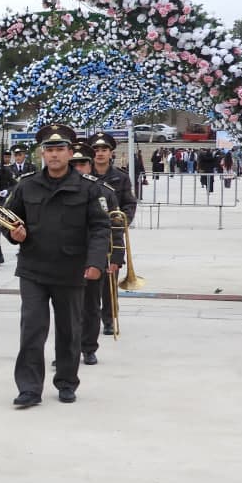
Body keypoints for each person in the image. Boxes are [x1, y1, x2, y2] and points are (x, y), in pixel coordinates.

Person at [3, 124, 110, 407]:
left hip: (71, 270)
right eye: (49, 150)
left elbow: (100, 228)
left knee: (69, 330)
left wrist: (96, 263)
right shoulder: (26, 185)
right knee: (32, 330)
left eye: (59, 149)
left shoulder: (88, 189)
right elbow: (9, 219)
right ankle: (29, 388)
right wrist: (14, 233)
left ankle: (66, 382)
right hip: (33, 269)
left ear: (70, 152)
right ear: (42, 153)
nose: (54, 155)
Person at [70, 142, 121, 366]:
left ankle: (89, 347)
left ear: (90, 165)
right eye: (75, 164)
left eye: (82, 163)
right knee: (68, 309)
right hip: (66, 256)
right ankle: (68, 349)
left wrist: (116, 258)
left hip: (94, 255)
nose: (79, 168)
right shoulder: (60, 188)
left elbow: (116, 227)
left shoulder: (104, 192)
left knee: (91, 306)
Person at [89, 132, 137, 337]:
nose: (100, 154)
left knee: (110, 279)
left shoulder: (121, 177)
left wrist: (120, 219)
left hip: (112, 235)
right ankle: (88, 319)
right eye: (96, 150)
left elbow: (129, 204)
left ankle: (109, 319)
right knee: (89, 282)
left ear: (111, 153)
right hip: (89, 235)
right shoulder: (82, 175)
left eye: (104, 150)